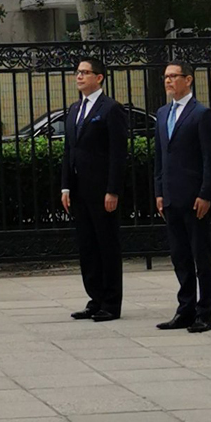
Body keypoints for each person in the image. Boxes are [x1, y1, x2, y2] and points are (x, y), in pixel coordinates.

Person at [152, 62, 211, 333]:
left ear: (188, 80)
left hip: (194, 199)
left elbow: (210, 159)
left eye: (173, 77)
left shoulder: (201, 114)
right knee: (179, 256)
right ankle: (185, 308)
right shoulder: (162, 113)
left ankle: (205, 312)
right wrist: (158, 191)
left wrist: (205, 193)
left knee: (200, 256)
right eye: (165, 77)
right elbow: (160, 157)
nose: (168, 81)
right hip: (170, 197)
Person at [60, 57, 127, 322]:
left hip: (101, 190)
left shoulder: (111, 109)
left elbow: (118, 154)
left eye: (85, 72)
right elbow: (69, 150)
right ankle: (95, 298)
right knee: (87, 246)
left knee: (106, 245)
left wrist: (113, 189)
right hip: (79, 190)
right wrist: (65, 185)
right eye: (77, 72)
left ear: (99, 77)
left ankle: (111, 303)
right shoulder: (75, 109)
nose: (79, 77)